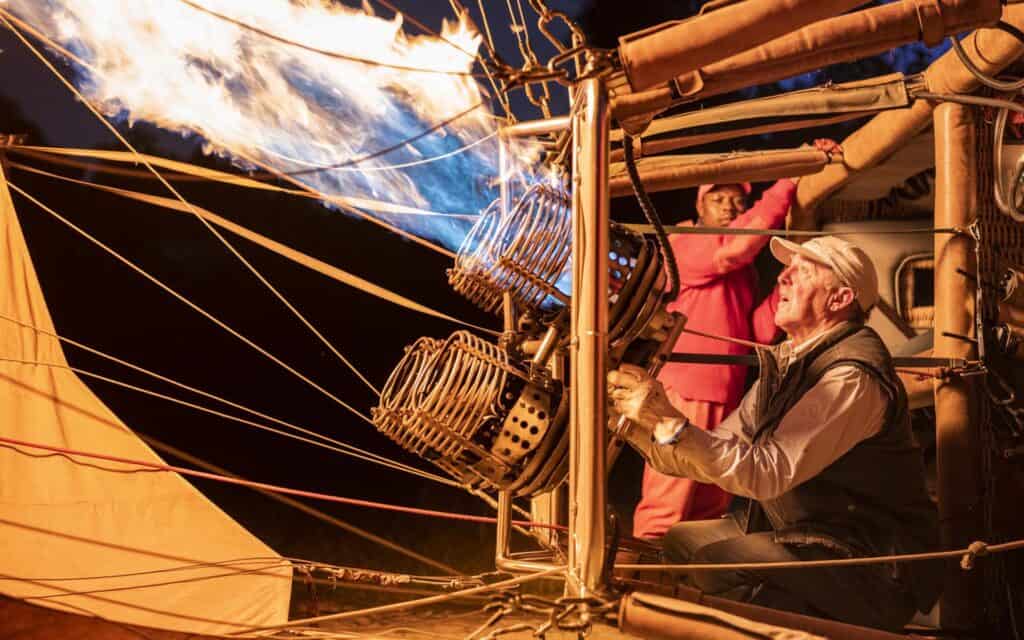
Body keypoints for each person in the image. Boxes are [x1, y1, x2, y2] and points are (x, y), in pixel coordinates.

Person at [609, 236, 941, 631]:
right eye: (787, 269)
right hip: (809, 534)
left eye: (801, 271)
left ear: (839, 299)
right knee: (682, 543)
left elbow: (765, 474)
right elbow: (719, 450)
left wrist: (666, 418)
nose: (782, 277)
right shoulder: (789, 362)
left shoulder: (850, 377)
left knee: (718, 565)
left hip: (869, 562)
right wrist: (631, 422)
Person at [634, 139, 840, 541]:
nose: (729, 206)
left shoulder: (740, 271)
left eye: (736, 200)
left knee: (711, 502)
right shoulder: (683, 244)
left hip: (728, 394)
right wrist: (788, 182)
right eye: (719, 198)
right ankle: (636, 581)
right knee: (668, 501)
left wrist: (788, 284)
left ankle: (691, 585)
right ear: (699, 205)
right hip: (687, 391)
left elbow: (756, 334)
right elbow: (736, 249)